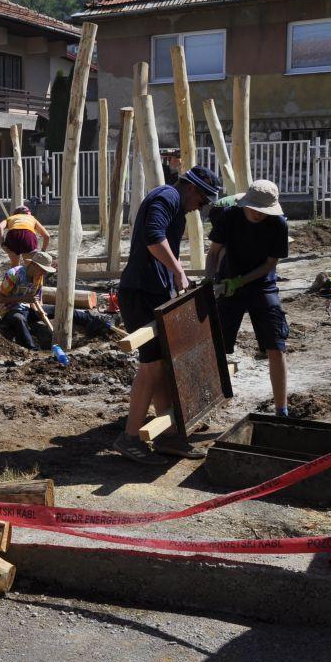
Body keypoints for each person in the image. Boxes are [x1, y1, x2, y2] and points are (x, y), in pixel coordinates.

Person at [115, 165, 221, 465]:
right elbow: (152, 238)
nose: (200, 207)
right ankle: (130, 438)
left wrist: (173, 277)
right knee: (150, 366)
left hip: (154, 292)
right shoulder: (167, 197)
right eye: (202, 200)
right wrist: (178, 271)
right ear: (191, 188)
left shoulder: (175, 203)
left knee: (161, 365)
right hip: (140, 292)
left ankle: (168, 436)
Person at [206, 180, 290, 416]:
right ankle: (207, 404)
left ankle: (281, 409)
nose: (258, 214)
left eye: (263, 211)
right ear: (245, 204)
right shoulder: (229, 216)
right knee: (216, 346)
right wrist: (211, 282)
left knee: (276, 346)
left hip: (262, 285)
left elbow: (269, 264)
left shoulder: (278, 224)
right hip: (228, 283)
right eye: (254, 209)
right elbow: (213, 253)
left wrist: (241, 281)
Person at [0, 250, 110, 349]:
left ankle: (93, 322)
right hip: (10, 310)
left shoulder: (39, 277)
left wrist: (38, 308)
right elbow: (0, 298)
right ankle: (31, 349)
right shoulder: (13, 274)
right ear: (34, 265)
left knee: (60, 309)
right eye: (43, 269)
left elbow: (36, 297)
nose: (44, 273)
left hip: (29, 308)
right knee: (19, 319)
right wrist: (23, 298)